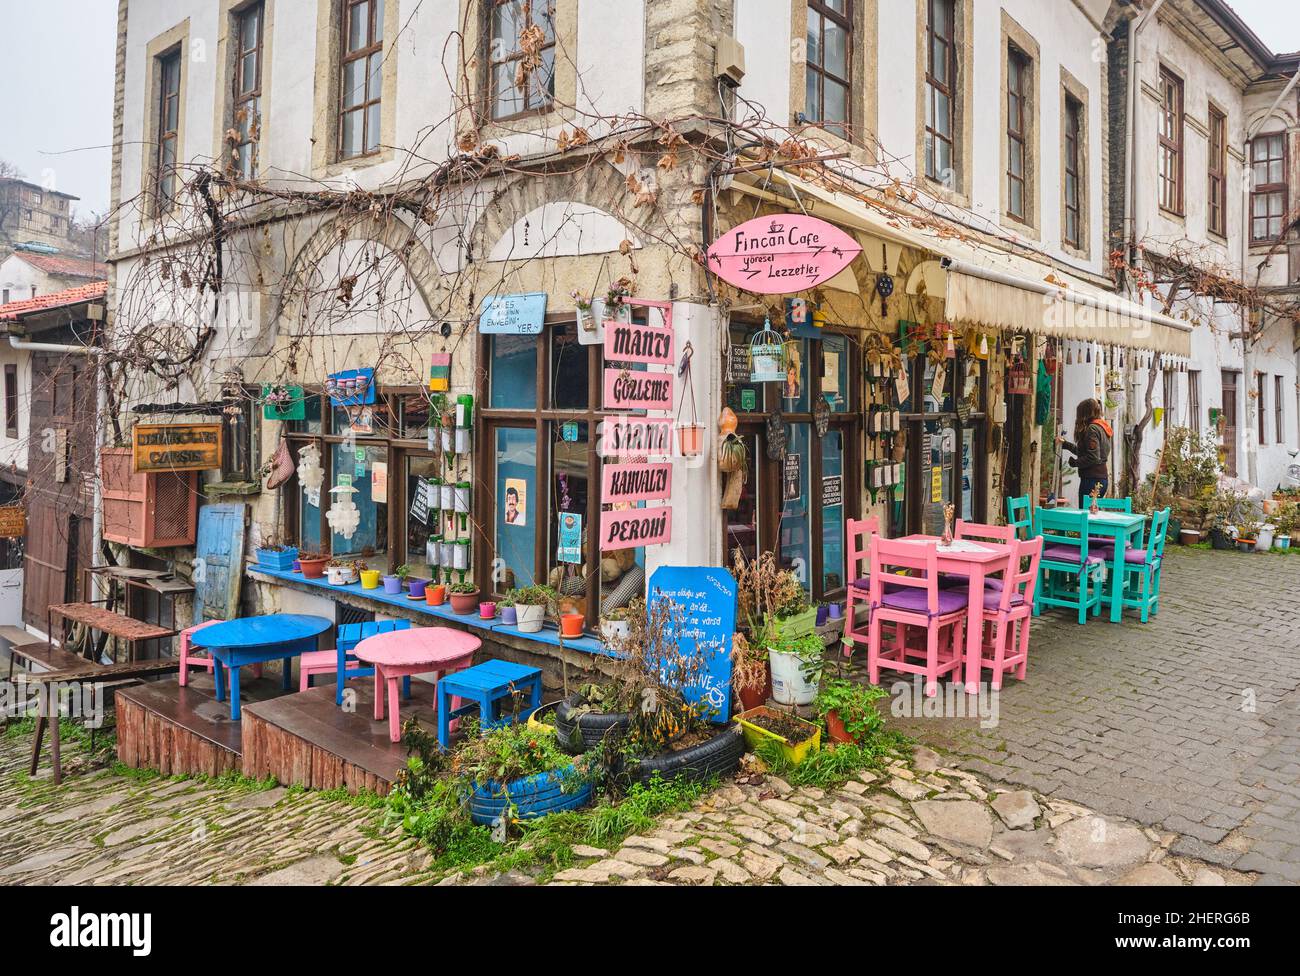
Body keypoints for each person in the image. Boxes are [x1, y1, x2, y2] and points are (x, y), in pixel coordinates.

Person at [1057, 398, 1112, 507]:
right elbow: (1088, 452)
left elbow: (1093, 457)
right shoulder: (1101, 426)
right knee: (1092, 515)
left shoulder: (1092, 429)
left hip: (1092, 480)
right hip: (1100, 478)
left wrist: (1076, 463)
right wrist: (1067, 445)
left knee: (1086, 516)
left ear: (1085, 413)